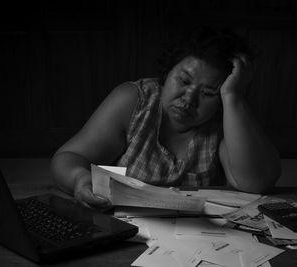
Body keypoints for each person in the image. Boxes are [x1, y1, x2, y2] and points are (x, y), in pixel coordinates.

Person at [50, 26, 281, 209]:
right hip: (127, 231)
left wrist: (232, 97)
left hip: (197, 240)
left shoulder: (226, 119)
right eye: (183, 81)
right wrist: (80, 179)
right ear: (167, 72)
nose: (189, 100)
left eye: (208, 93)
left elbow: (255, 183)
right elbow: (69, 157)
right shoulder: (134, 100)